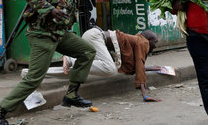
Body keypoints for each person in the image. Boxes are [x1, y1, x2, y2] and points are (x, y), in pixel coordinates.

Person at [22, 27, 161, 102]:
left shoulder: (136, 41)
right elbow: (140, 65)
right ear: (148, 39)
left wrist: (149, 68)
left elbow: (138, 65)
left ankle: (29, 73)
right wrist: (144, 95)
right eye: (155, 41)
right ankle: (71, 59)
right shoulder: (143, 42)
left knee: (80, 70)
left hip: (92, 36)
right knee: (109, 69)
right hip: (95, 37)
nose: (156, 44)